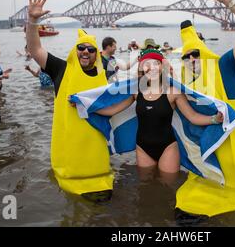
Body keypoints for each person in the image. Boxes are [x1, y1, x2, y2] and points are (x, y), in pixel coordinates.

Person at [175, 0, 235, 221]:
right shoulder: (185, 83)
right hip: (217, 164)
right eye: (187, 56)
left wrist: (229, 3)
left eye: (196, 54)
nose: (192, 58)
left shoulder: (223, 67)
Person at [25, 0, 113, 202]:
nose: (85, 52)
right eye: (80, 48)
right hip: (70, 153)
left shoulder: (104, 75)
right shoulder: (61, 69)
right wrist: (33, 21)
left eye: (90, 49)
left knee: (104, 205)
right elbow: (35, 49)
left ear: (96, 53)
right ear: (75, 50)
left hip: (96, 152)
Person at [84, 49, 223, 173]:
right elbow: (113, 110)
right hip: (142, 148)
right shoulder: (136, 92)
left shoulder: (173, 92)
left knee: (168, 185)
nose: (152, 68)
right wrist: (86, 106)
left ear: (162, 66)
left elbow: (192, 117)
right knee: (146, 184)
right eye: (147, 65)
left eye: (156, 64)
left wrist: (215, 119)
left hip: (168, 147)